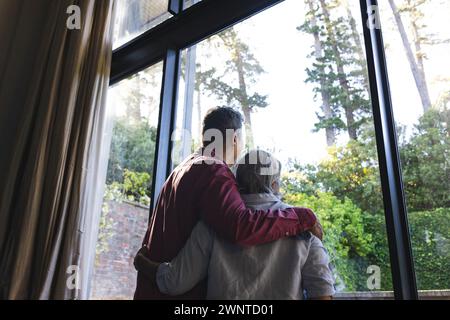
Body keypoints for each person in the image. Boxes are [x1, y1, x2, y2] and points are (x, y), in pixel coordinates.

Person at [134, 107, 322, 299]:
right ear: (235, 139)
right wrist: (302, 217)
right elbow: (240, 226)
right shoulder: (213, 171)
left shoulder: (182, 169)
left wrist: (144, 265)